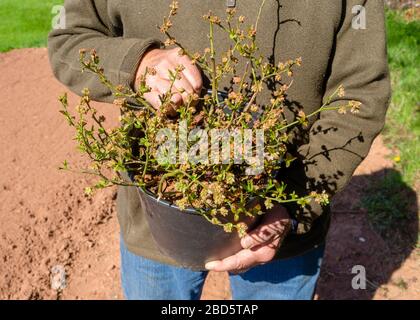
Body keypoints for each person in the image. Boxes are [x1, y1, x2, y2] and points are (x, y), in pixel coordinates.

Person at [48, 0, 390, 300]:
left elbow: (361, 91)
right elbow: (68, 38)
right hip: (157, 224)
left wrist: (299, 202)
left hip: (282, 219)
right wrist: (137, 64)